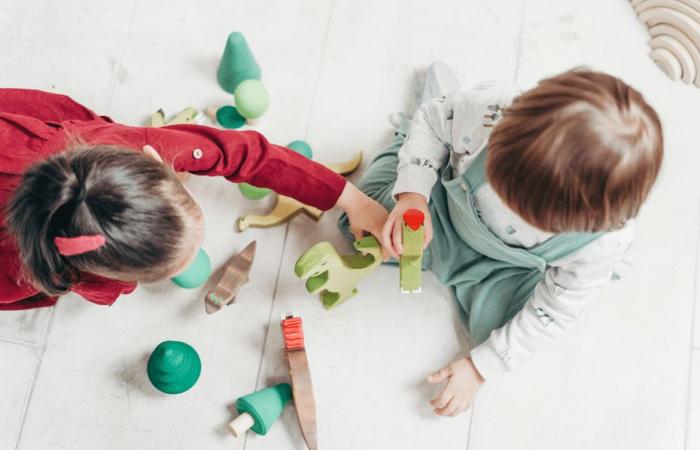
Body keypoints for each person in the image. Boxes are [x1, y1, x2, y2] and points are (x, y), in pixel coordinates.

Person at [340, 64, 663, 416]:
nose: (511, 207)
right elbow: (434, 123)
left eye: (530, 215)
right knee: (359, 221)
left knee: (498, 335)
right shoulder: (491, 112)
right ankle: (419, 125)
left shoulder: (604, 242)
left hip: (509, 266)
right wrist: (413, 198)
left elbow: (554, 311)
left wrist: (480, 368)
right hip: (443, 211)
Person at [0, 88, 388, 310]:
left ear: (155, 160)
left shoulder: (135, 144)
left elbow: (245, 153)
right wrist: (114, 287)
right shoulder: (26, 275)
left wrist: (350, 199)